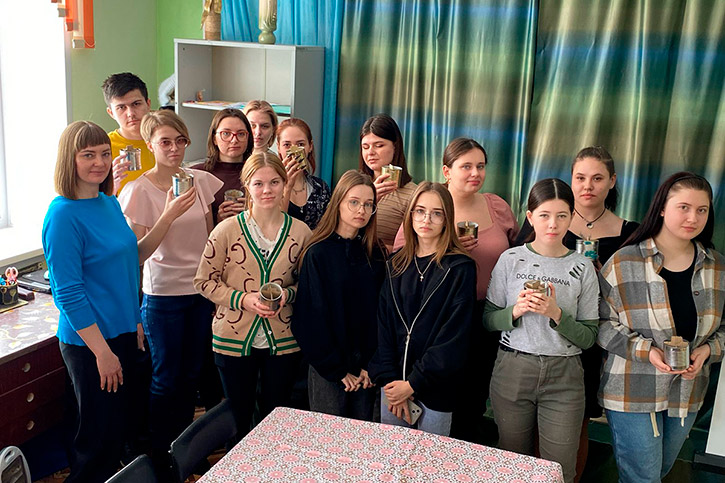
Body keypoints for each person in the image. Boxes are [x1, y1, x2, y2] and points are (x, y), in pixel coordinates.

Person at [42, 121, 194, 482]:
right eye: (88, 155)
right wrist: (102, 353)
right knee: (97, 443)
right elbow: (68, 294)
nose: (99, 162)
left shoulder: (108, 202)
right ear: (69, 160)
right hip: (91, 344)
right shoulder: (62, 215)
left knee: (122, 433)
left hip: (123, 333)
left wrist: (135, 320)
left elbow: (132, 259)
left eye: (104, 154)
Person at [514, 146, 639, 478]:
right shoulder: (548, 219)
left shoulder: (631, 233)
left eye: (597, 178)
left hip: (594, 338)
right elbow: (519, 268)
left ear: (612, 181)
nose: (588, 186)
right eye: (580, 178)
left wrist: (601, 277)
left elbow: (634, 294)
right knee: (527, 423)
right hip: (538, 334)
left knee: (574, 424)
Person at [598, 172, 724, 483]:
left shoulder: (717, 267)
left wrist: (708, 351)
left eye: (702, 210)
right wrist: (647, 352)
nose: (693, 218)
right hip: (631, 389)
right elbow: (601, 324)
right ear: (663, 208)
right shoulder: (623, 262)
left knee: (659, 471)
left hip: (687, 392)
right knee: (643, 478)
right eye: (684, 207)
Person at [118, 110, 223, 465]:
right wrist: (168, 214)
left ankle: (186, 451)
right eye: (165, 142)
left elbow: (209, 240)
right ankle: (162, 455)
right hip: (162, 297)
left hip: (199, 293)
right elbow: (137, 254)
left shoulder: (200, 180)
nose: (175, 149)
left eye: (181, 141)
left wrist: (214, 288)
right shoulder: (138, 190)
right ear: (150, 145)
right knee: (166, 377)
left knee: (192, 374)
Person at [483, 178, 599, 483]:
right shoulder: (510, 259)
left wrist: (556, 314)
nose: (553, 224)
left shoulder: (583, 267)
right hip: (513, 368)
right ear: (530, 216)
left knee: (559, 469)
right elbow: (488, 320)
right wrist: (516, 311)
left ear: (572, 217)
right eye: (545, 215)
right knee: (512, 464)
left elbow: (589, 337)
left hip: (565, 375)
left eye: (562, 215)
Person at [194, 152, 312, 437]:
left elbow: (309, 286)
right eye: (258, 183)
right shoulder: (226, 230)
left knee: (277, 416)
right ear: (246, 185)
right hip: (233, 337)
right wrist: (243, 299)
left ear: (284, 184)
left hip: (284, 338)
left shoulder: (301, 232)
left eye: (274, 182)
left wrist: (287, 295)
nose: (267, 190)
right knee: (237, 418)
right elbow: (203, 281)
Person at [368, 182, 476, 436]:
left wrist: (412, 384)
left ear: (447, 219)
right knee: (391, 454)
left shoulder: (460, 268)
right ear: (410, 215)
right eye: (420, 211)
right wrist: (393, 382)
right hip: (393, 386)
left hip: (436, 388)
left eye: (436, 213)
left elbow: (453, 338)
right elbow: (383, 326)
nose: (426, 219)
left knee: (430, 456)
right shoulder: (395, 263)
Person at [439, 137, 519, 442]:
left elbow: (518, 252)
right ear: (447, 171)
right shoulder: (432, 206)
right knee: (446, 388)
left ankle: (469, 451)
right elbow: (404, 257)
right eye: (466, 166)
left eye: (481, 166)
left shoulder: (496, 206)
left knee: (478, 389)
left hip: (489, 313)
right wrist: (450, 247)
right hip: (444, 314)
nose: (475, 173)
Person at [291, 170, 385, 420]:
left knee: (364, 434)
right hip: (328, 368)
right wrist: (337, 370)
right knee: (328, 435)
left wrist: (371, 364)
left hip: (366, 369)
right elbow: (308, 320)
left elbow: (380, 314)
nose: (361, 210)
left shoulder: (376, 254)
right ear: (338, 202)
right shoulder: (318, 253)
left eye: (368, 204)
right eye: (354, 202)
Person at [358, 114, 417, 251]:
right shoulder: (354, 186)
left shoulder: (413, 194)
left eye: (378, 145)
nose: (370, 152)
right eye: (365, 147)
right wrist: (369, 199)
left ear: (395, 147)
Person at [191, 108, 254, 225]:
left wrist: (253, 213)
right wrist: (218, 221)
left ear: (248, 138)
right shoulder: (197, 174)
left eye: (241, 134)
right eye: (226, 133)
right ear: (214, 138)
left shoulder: (258, 172)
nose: (234, 140)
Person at [102, 72, 154, 193]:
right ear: (111, 113)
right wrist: (109, 187)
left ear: (148, 104)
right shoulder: (104, 148)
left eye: (136, 104)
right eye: (121, 107)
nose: (130, 113)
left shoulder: (165, 141)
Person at [277, 118, 331, 230]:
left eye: (300, 144)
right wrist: (287, 187)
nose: (294, 150)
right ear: (278, 147)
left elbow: (327, 228)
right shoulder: (269, 185)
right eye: (287, 145)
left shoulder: (321, 188)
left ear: (310, 146)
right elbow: (274, 224)